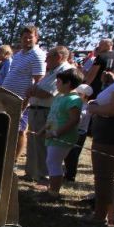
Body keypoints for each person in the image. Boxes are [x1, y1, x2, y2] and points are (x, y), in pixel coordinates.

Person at [24, 46, 73, 183]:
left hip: (45, 111)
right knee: (34, 143)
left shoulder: (64, 71)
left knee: (43, 145)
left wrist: (33, 91)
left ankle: (44, 176)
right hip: (36, 110)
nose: (45, 60)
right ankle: (32, 173)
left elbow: (47, 93)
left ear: (58, 57)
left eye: (49, 56)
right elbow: (36, 88)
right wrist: (33, 90)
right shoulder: (52, 71)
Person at [0, 26, 46, 161]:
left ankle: (14, 159)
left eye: (30, 37)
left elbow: (38, 80)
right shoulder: (18, 54)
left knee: (20, 130)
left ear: (36, 38)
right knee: (8, 127)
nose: (27, 40)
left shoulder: (37, 55)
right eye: (24, 37)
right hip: (9, 97)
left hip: (23, 100)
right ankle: (6, 155)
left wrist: (26, 101)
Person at [37, 68, 82, 199]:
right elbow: (52, 117)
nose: (56, 84)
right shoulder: (59, 97)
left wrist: (56, 133)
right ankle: (52, 189)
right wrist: (43, 129)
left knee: (53, 162)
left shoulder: (74, 99)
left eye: (58, 82)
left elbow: (74, 120)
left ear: (67, 84)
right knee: (51, 161)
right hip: (53, 135)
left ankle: (53, 192)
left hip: (63, 137)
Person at [86, 69, 114, 225]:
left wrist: (94, 108)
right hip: (107, 134)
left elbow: (113, 110)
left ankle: (100, 215)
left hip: (109, 136)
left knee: (104, 177)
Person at [63, 83, 94, 182]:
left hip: (79, 133)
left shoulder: (86, 107)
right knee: (69, 154)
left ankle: (70, 175)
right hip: (76, 132)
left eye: (80, 94)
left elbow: (79, 119)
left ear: (86, 96)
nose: (77, 95)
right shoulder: (80, 105)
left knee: (73, 154)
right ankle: (68, 172)